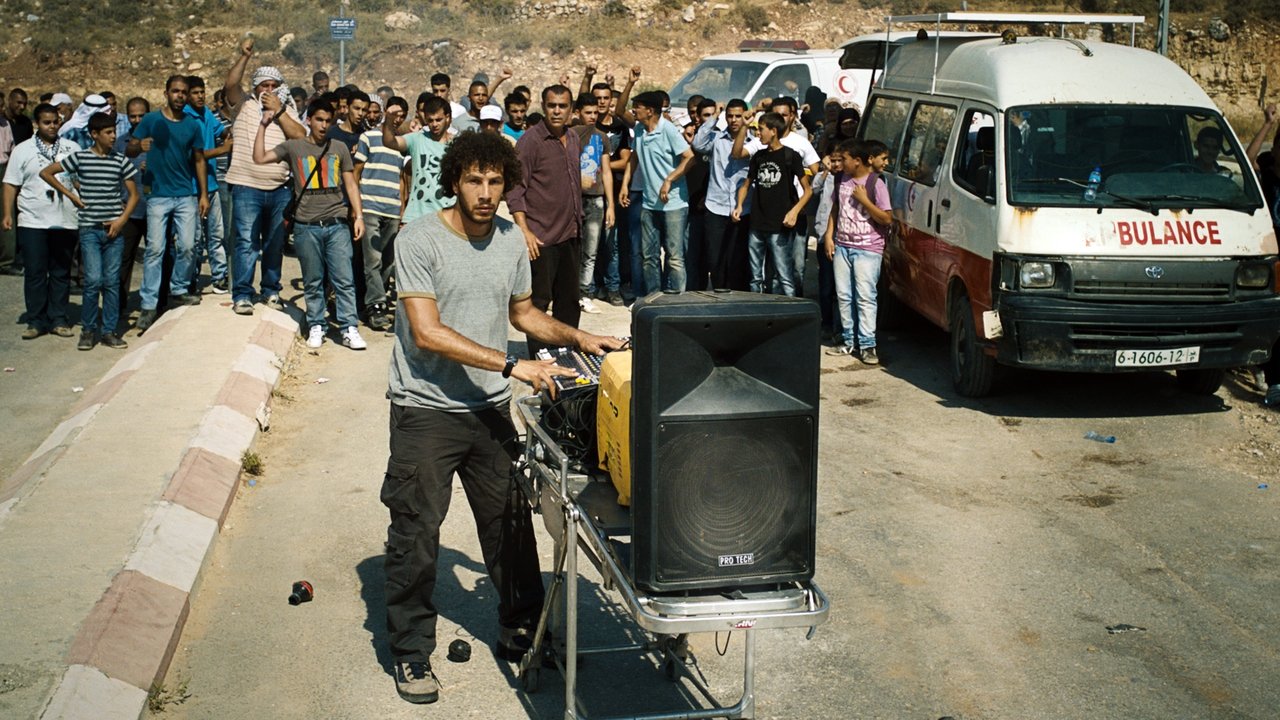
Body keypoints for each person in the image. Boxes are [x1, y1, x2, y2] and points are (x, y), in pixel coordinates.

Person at [381, 130, 623, 704]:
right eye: (474, 180)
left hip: (488, 410)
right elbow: (427, 331)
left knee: (512, 525)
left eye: (495, 181)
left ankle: (522, 632)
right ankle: (411, 653)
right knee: (416, 534)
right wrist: (513, 368)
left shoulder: (514, 240)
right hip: (425, 411)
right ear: (455, 181)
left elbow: (525, 314)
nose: (485, 193)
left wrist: (582, 338)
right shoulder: (419, 240)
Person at [253, 99, 367, 351]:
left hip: (337, 223)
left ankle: (349, 327)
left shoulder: (338, 147)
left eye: (328, 121)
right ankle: (317, 324)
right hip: (306, 226)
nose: (324, 126)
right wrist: (263, 126)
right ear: (309, 120)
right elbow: (259, 158)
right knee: (313, 280)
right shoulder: (294, 147)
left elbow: (350, 184)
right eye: (319, 120)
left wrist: (358, 216)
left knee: (344, 278)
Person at [39, 112, 140, 350]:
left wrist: (121, 220)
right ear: (94, 134)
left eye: (114, 131)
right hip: (89, 229)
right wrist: (72, 196)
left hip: (113, 231)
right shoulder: (81, 158)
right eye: (108, 133)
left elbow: (134, 195)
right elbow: (47, 172)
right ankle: (88, 329)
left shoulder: (120, 160)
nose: (113, 136)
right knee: (93, 280)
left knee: (112, 282)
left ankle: (109, 330)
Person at [222, 39, 307, 316]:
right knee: (246, 242)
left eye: (273, 86)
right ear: (256, 89)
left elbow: (300, 137)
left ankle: (271, 290)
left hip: (280, 189)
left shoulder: (288, 111)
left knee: (274, 243)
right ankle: (243, 294)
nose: (268, 91)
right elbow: (230, 85)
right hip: (247, 187)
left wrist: (279, 111)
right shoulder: (244, 106)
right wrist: (244, 56)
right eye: (263, 86)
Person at [126, 75, 210, 331]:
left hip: (185, 194)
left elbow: (199, 160)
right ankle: (148, 305)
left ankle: (179, 288)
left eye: (184, 92)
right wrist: (139, 145)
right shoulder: (151, 120)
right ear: (166, 93)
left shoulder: (192, 125)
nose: (180, 96)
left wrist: (203, 194)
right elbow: (129, 149)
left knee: (187, 246)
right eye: (175, 91)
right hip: (158, 196)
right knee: (154, 250)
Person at [507, 85, 584, 358]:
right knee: (538, 304)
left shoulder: (573, 137)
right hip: (541, 236)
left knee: (569, 302)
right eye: (552, 105)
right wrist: (524, 229)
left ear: (571, 109)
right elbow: (515, 187)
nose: (557, 111)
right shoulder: (531, 141)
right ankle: (540, 357)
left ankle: (567, 353)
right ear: (543, 106)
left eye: (562, 106)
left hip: (570, 233)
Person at [2, 103, 79, 340]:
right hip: (33, 220)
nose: (52, 126)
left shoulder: (71, 147)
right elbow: (10, 184)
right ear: (36, 124)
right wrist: (7, 214)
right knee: (35, 271)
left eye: (56, 121)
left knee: (60, 271)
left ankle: (58, 318)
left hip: (65, 220)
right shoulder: (22, 150)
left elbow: (79, 181)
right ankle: (36, 320)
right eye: (47, 122)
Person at [823, 139, 892, 365]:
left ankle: (867, 344)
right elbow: (836, 208)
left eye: (844, 159)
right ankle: (847, 340)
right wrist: (829, 236)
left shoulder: (876, 184)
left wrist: (864, 200)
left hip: (868, 249)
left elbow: (886, 218)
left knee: (865, 297)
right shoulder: (840, 180)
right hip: (842, 245)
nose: (839, 163)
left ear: (858, 161)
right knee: (844, 296)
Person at [621, 90, 695, 294]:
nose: (633, 110)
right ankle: (654, 297)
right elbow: (634, 157)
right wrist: (626, 184)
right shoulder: (639, 130)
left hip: (673, 203)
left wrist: (669, 180)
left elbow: (689, 157)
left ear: (650, 110)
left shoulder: (668, 130)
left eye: (637, 107)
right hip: (649, 202)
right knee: (649, 256)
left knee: (674, 256)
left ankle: (678, 301)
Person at [734, 112, 811, 298]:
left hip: (779, 225)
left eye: (761, 130)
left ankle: (790, 313)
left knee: (784, 275)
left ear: (773, 131)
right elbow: (746, 185)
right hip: (757, 223)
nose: (758, 134)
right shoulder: (758, 156)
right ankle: (756, 311)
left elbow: (808, 190)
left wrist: (794, 212)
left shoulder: (789, 156)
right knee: (755, 276)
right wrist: (738, 205)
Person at [354, 95, 409, 332]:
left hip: (392, 209)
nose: (396, 118)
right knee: (372, 260)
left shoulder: (401, 144)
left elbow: (400, 179)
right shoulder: (368, 137)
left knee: (388, 261)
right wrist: (356, 207)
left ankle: (378, 300)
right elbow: (356, 172)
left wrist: (401, 210)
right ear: (385, 112)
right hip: (370, 207)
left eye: (401, 115)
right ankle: (376, 306)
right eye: (393, 113)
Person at [694, 97, 759, 292]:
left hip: (743, 207)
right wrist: (714, 116)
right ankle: (719, 294)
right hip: (716, 206)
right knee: (715, 259)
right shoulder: (716, 139)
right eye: (729, 116)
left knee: (738, 259)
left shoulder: (753, 142)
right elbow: (698, 144)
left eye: (738, 116)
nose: (734, 120)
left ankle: (737, 300)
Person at [184, 75, 232, 295]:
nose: (200, 96)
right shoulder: (185, 118)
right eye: (195, 93)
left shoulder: (206, 115)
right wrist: (223, 149)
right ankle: (189, 279)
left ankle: (219, 276)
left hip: (211, 184)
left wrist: (232, 130)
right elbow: (195, 155)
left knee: (216, 234)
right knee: (193, 238)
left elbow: (221, 132)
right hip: (191, 188)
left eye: (202, 92)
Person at [570, 94, 615, 313]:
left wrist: (611, 205)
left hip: (596, 199)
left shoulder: (602, 137)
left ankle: (585, 293)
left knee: (591, 249)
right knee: (570, 248)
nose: (592, 116)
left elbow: (606, 171)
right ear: (578, 113)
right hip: (573, 198)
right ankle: (567, 292)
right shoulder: (570, 135)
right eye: (588, 112)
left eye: (595, 112)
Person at [382, 94, 455, 225]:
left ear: (448, 118)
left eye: (439, 120)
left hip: (447, 215)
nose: (434, 124)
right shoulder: (416, 139)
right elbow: (389, 142)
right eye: (430, 120)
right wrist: (388, 120)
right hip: (416, 215)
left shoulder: (458, 144)